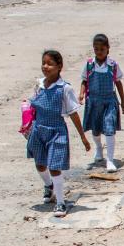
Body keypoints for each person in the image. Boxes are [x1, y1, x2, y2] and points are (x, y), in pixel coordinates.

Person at [26, 50, 91, 217]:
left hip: (57, 131)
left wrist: (83, 137)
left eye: (50, 64)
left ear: (59, 66)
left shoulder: (64, 88)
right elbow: (31, 106)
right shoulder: (39, 85)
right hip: (38, 128)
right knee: (40, 164)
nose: (45, 67)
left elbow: (73, 113)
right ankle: (49, 185)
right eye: (43, 63)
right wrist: (27, 124)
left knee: (55, 167)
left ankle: (61, 202)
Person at [80, 34, 124, 173]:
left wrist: (123, 102)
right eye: (96, 49)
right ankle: (99, 148)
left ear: (108, 49)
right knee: (95, 131)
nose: (99, 52)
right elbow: (84, 81)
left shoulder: (113, 65)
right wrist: (81, 94)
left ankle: (110, 160)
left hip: (109, 102)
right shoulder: (89, 65)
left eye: (102, 49)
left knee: (109, 129)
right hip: (94, 102)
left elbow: (118, 83)